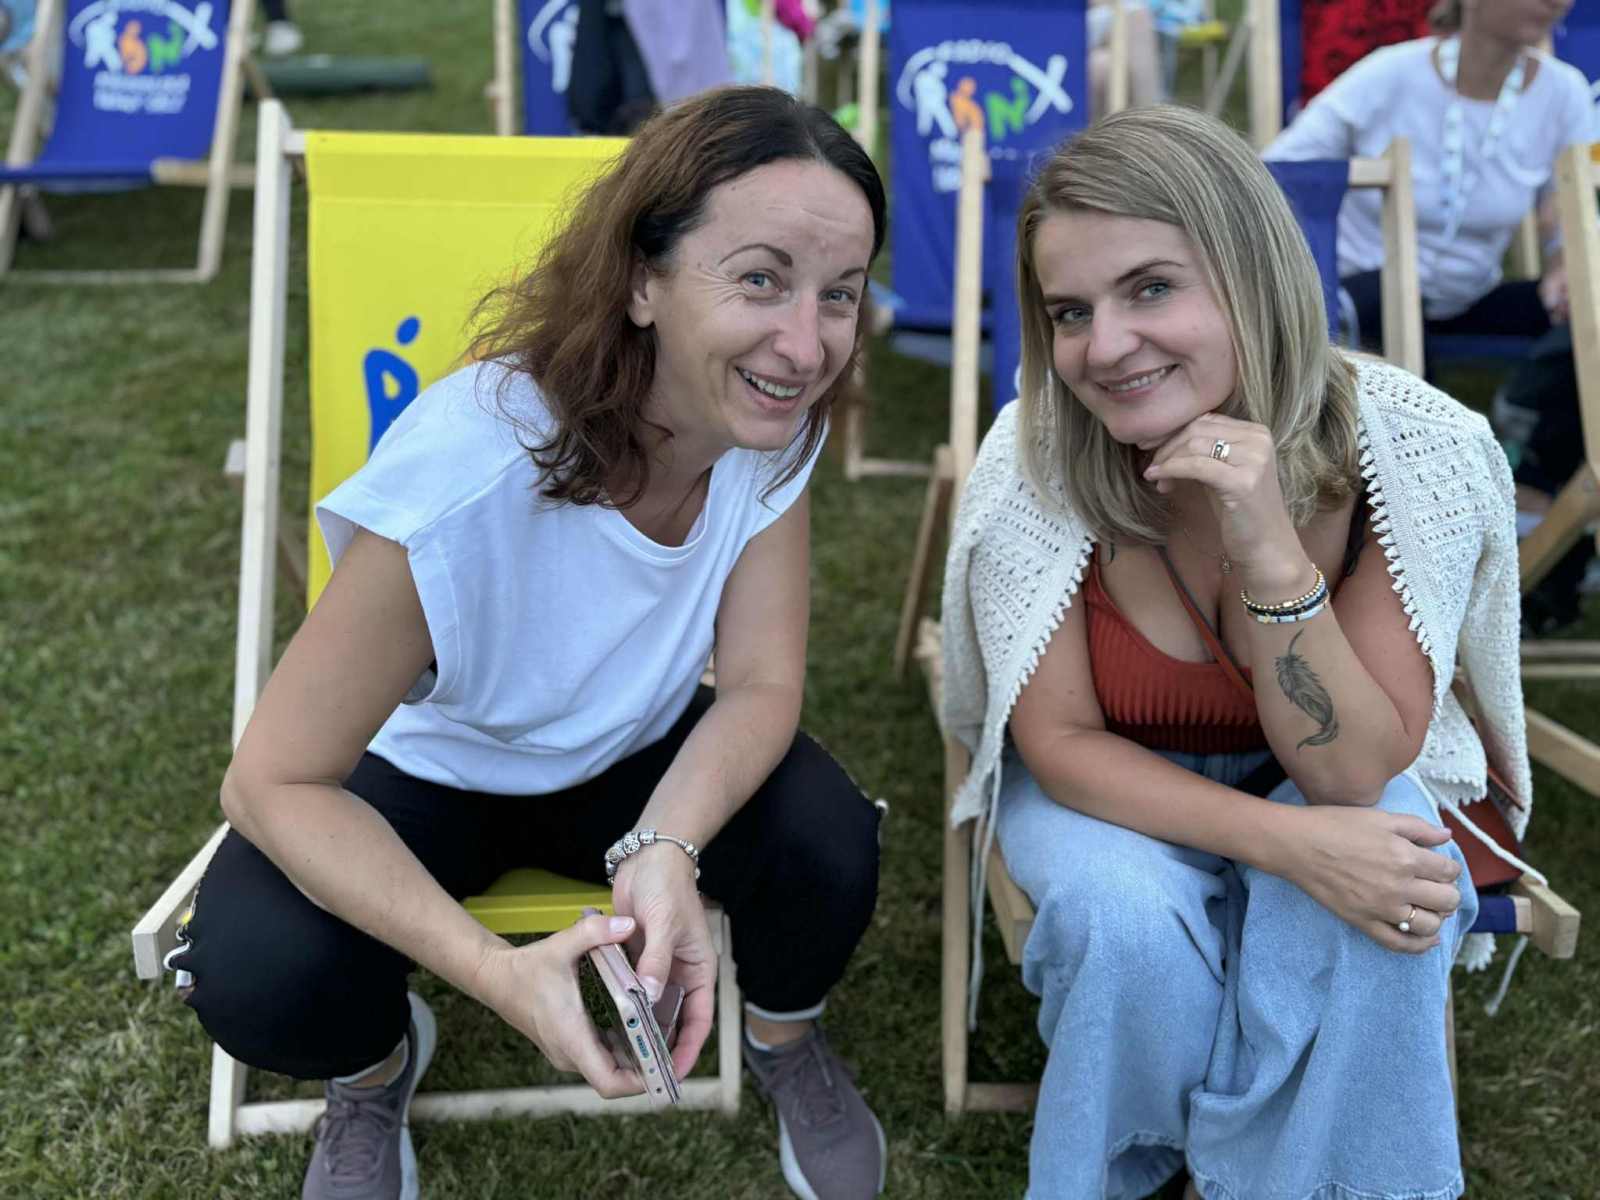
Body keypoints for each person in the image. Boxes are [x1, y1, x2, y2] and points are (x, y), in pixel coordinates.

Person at [169, 86, 888, 1200]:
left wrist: (667, 843)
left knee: (828, 841)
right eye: (759, 279)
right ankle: (374, 1067)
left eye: (838, 293)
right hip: (430, 770)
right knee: (259, 973)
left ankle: (783, 1037)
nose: (805, 344)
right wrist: (494, 973)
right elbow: (269, 781)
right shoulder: (470, 473)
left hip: (630, 747)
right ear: (642, 281)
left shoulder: (767, 424)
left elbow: (758, 683)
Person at [940, 105, 1532, 1200]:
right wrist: (1284, 846)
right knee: (1120, 919)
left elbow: (1350, 777)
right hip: (1112, 788)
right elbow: (1060, 745)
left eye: (1151, 288)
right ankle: (1140, 1169)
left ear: (1253, 276)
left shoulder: (1417, 448)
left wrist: (1267, 547)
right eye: (1070, 312)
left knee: (1388, 885)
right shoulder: (1037, 454)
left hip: (1323, 775)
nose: (1103, 347)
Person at [1264, 0, 1593, 629]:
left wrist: (1560, 264)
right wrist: (1359, 184)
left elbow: (1566, 200)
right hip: (1366, 289)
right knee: (1388, 301)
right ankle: (1419, 542)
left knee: (1588, 318)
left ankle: (1540, 517)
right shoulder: (1392, 74)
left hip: (1469, 295)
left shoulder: (1563, 91)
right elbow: (1281, 169)